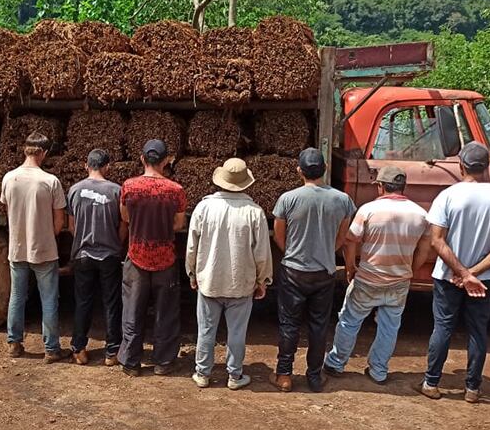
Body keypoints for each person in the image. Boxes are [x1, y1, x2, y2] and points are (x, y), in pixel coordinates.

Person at [423, 141, 490, 403]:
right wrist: (473, 273)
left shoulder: (448, 196)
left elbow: (437, 240)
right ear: (487, 166)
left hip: (448, 276)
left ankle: (431, 383)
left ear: (462, 166)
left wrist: (463, 273)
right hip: (484, 278)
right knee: (478, 330)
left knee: (443, 327)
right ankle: (473, 389)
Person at [322, 165, 432, 384]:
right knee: (389, 327)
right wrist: (410, 270)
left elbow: (351, 241)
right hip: (399, 281)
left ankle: (336, 363)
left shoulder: (368, 210)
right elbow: (424, 249)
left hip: (368, 278)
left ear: (381, 187)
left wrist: (352, 267)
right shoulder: (421, 215)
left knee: (349, 320)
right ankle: (378, 370)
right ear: (403, 187)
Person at [272, 147, 356, 392]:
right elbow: (343, 237)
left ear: (299, 170)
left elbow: (279, 234)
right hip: (324, 272)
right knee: (318, 327)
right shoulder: (342, 200)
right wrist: (327, 252)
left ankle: (284, 375)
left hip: (293, 271)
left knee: (289, 324)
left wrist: (292, 252)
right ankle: (314, 377)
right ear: (325, 169)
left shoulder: (288, 199)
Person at [185, 158, 272, 390]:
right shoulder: (254, 212)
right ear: (245, 183)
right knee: (237, 332)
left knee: (205, 330)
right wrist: (262, 280)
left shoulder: (203, 208)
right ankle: (234, 376)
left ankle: (202, 373)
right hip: (240, 284)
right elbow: (262, 252)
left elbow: (191, 247)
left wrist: (192, 273)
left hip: (209, 281)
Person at [118, 139, 187, 377]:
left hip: (136, 257)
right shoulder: (175, 190)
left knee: (132, 311)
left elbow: (125, 217)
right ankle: (163, 362)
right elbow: (179, 224)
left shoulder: (129, 186)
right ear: (167, 160)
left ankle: (131, 362)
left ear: (142, 159)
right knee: (165, 313)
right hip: (165, 259)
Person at [0, 132, 69, 363]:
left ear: (25, 150)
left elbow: (7, 209)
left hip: (17, 248)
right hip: (45, 249)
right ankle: (51, 349)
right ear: (44, 153)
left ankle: (14, 343)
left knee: (17, 296)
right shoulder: (50, 181)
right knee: (49, 299)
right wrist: (48, 235)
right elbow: (59, 221)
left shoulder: (9, 178)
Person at [67, 148, 125, 366]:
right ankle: (112, 353)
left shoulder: (74, 190)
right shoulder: (116, 191)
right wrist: (115, 243)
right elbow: (123, 225)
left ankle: (79, 348)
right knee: (111, 302)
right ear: (107, 166)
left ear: (86, 165)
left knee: (83, 301)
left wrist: (83, 237)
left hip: (82, 254)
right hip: (109, 254)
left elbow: (71, 226)